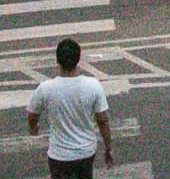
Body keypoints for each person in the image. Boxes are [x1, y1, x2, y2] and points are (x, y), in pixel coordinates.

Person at [27, 38, 113, 179]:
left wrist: (33, 128)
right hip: (85, 152)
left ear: (57, 60)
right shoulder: (93, 85)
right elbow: (103, 120)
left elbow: (32, 114)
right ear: (78, 59)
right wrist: (108, 148)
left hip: (59, 155)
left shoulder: (45, 88)